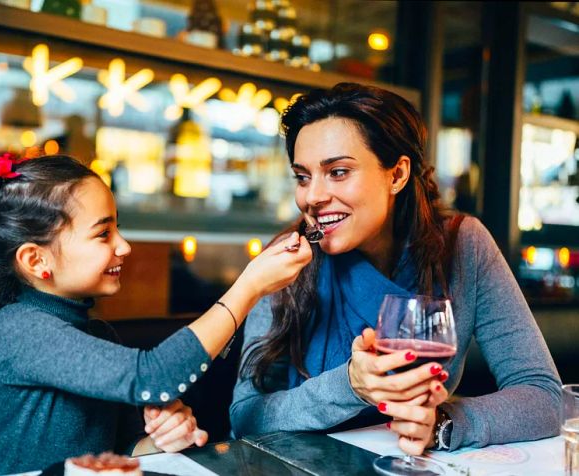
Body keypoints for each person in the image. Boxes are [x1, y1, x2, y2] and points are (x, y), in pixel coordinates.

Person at [230, 83, 561, 456]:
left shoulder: (462, 245)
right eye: (303, 177)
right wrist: (350, 385)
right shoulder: (286, 261)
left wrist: (442, 423)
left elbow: (543, 396)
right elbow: (245, 417)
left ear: (397, 175)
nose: (312, 196)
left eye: (338, 172)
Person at [0, 154, 311, 475]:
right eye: (103, 234)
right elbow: (156, 376)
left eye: (119, 228)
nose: (125, 246)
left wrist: (161, 440)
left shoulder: (96, 334)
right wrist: (250, 287)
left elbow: (120, 450)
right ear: (36, 260)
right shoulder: (15, 328)